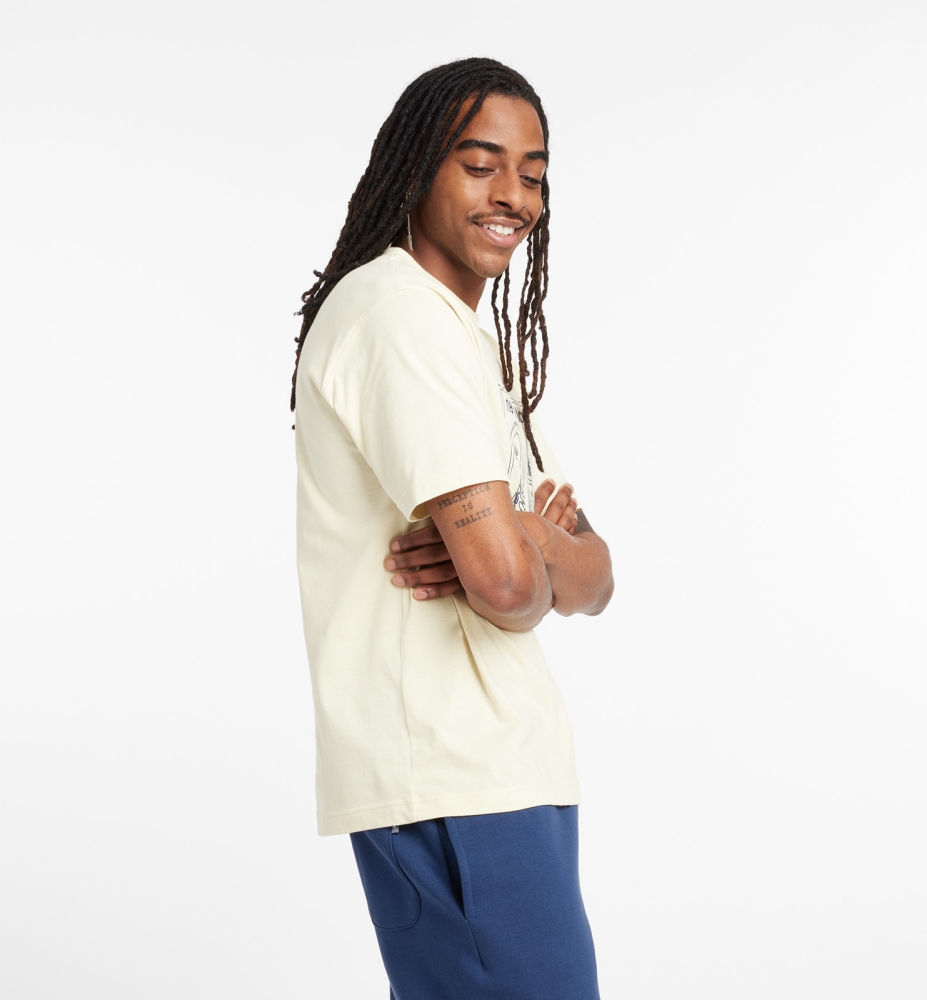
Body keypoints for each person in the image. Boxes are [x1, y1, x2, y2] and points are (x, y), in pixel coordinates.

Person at [292, 57, 614, 1000]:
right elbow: (507, 587)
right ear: (417, 167)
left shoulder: (464, 339)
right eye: (481, 165)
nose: (513, 195)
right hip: (450, 772)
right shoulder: (399, 317)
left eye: (533, 174)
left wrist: (527, 537)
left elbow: (596, 574)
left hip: (496, 772)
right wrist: (524, 547)